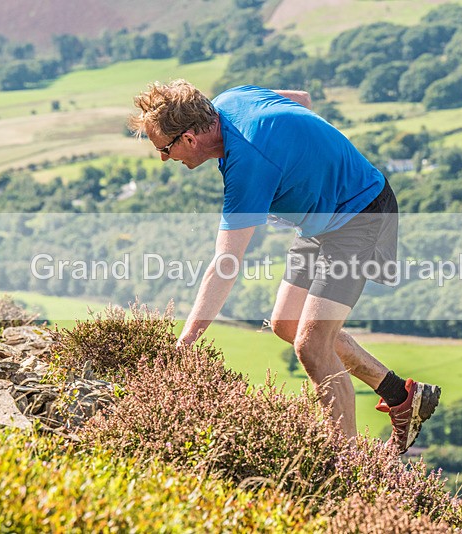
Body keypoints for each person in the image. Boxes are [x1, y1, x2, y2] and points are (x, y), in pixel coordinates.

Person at [129, 79, 440, 453]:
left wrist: (187, 342)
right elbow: (303, 101)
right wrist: (307, 161)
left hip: (361, 213)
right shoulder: (231, 98)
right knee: (287, 324)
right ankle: (402, 396)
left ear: (190, 139)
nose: (164, 158)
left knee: (312, 345)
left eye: (164, 148)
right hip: (322, 216)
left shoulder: (247, 165)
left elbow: (226, 264)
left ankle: (349, 468)